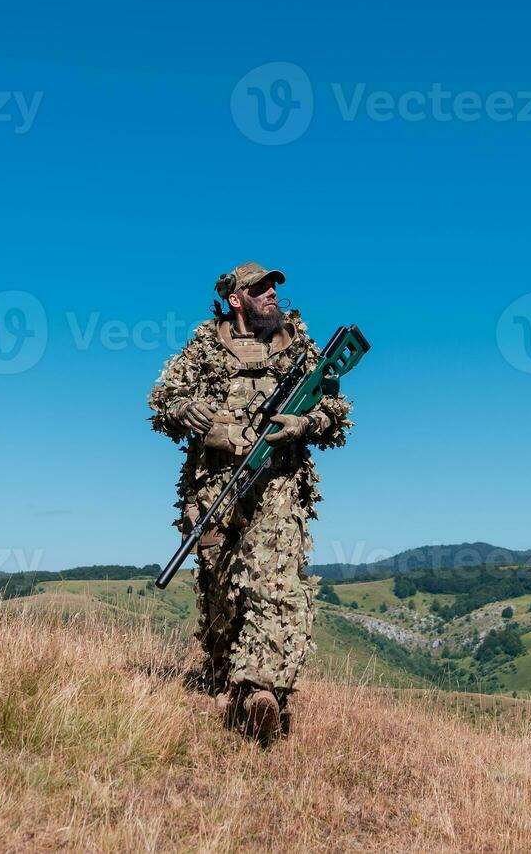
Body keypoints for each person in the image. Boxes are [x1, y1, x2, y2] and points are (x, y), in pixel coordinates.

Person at [148, 261, 352, 744]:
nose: (271, 295)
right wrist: (183, 409)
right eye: (258, 289)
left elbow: (334, 410)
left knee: (275, 583)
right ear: (235, 299)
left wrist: (307, 424)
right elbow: (163, 400)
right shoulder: (205, 345)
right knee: (221, 593)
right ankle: (227, 685)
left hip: (279, 480)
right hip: (213, 486)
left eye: (273, 288)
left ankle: (264, 691)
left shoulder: (298, 346)